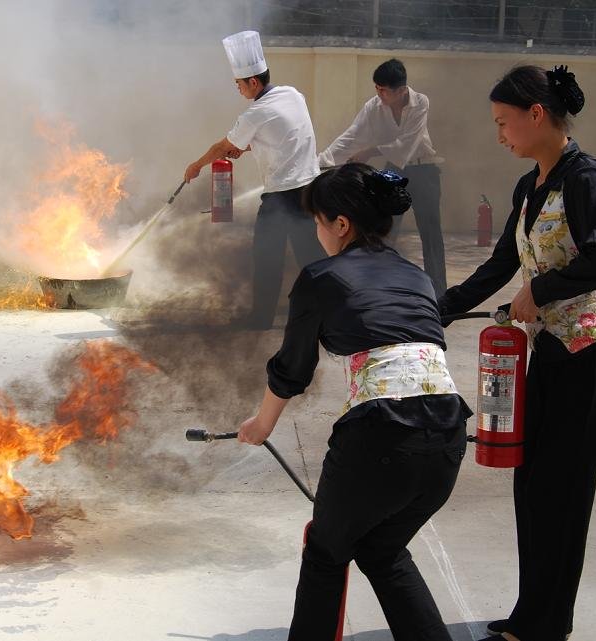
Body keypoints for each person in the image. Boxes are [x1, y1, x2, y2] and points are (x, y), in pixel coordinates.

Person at [237, 162, 472, 641]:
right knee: (383, 550)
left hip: (382, 436)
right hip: (448, 436)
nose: (317, 233)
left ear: (340, 224)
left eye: (318, 222)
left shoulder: (322, 277)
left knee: (326, 553)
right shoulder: (416, 276)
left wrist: (262, 424)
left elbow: (292, 370)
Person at [437, 65, 596, 641]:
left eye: (503, 122)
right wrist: (438, 308)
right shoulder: (529, 186)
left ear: (536, 114)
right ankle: (531, 613)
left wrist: (539, 291)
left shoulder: (586, 178)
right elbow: (501, 263)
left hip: (588, 355)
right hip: (547, 353)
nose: (500, 135)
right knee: (534, 484)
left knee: (565, 490)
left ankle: (548, 623)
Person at [184, 30, 325, 330]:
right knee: (312, 258)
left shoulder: (255, 113)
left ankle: (261, 319)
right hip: (311, 187)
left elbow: (223, 147)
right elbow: (284, 134)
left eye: (239, 84)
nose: (238, 89)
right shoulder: (291, 94)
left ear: (253, 82)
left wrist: (196, 166)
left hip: (282, 195)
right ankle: (332, 311)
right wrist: (249, 146)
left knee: (266, 257)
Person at [318, 58, 446, 295]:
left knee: (430, 230)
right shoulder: (373, 106)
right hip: (394, 170)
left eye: (384, 90)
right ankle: (382, 286)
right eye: (376, 88)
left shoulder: (420, 103)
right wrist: (323, 161)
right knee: (384, 229)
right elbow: (352, 136)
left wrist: (370, 151)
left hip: (423, 169)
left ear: (401, 90)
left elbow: (407, 144)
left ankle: (439, 292)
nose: (379, 94)